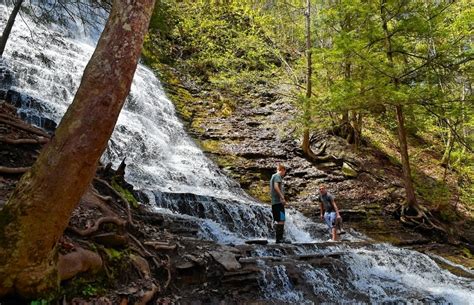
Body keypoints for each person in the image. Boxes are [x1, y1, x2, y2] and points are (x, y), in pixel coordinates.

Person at [270, 164, 288, 243]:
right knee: (282, 219)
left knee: (279, 219)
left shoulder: (273, 176)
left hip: (275, 203)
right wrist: (282, 197)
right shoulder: (277, 176)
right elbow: (276, 187)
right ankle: (279, 239)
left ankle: (279, 239)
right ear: (282, 170)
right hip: (278, 203)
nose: (284, 173)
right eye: (285, 171)